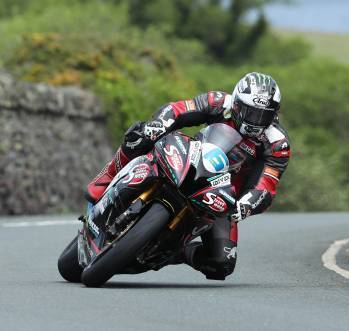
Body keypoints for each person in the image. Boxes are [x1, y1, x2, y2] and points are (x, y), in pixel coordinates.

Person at [85, 72, 291, 280]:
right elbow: (178, 109)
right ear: (237, 103)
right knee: (139, 136)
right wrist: (159, 125)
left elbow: (266, 186)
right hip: (190, 160)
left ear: (274, 114)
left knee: (221, 264)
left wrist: (244, 206)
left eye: (263, 115)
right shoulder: (219, 102)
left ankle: (176, 251)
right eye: (250, 112)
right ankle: (106, 177)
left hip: (222, 195)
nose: (255, 121)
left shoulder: (277, 144)